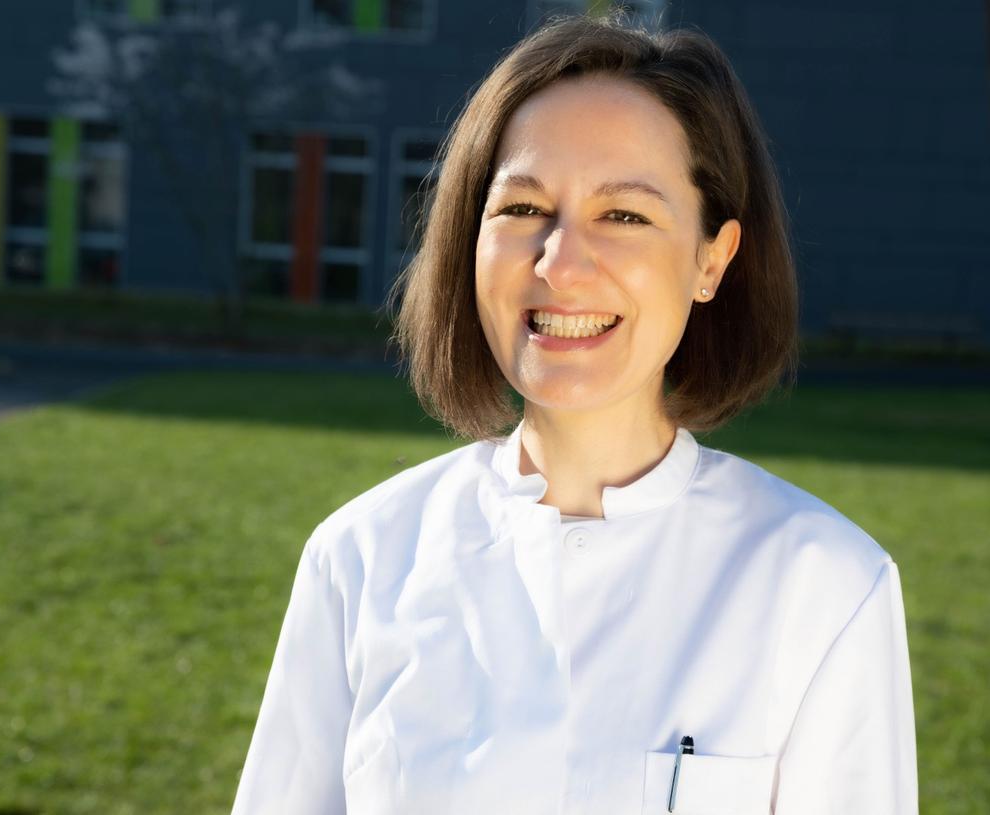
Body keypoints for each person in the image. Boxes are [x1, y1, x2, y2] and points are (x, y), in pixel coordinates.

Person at [231, 13, 917, 815]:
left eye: (624, 215)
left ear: (711, 258)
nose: (560, 263)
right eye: (522, 208)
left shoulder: (825, 584)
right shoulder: (360, 557)